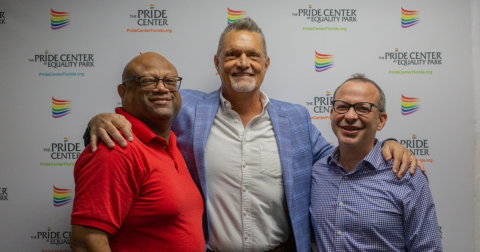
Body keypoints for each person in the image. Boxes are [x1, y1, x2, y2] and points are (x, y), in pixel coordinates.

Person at [85, 18, 423, 252]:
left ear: (266, 64)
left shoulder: (295, 118)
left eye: (252, 55)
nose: (243, 63)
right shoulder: (184, 108)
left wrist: (386, 144)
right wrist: (99, 120)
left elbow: (340, 161)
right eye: (232, 54)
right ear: (217, 64)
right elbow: (139, 111)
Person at [70, 52, 205, 252]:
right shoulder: (115, 149)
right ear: (122, 92)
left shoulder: (171, 145)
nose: (161, 88)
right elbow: (86, 242)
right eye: (148, 81)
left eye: (169, 81)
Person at [310, 74, 442, 251]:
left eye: (363, 108)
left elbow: (427, 248)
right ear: (332, 114)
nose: (350, 116)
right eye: (342, 107)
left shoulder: (406, 175)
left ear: (381, 121)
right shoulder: (317, 172)